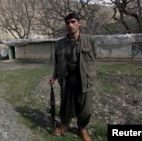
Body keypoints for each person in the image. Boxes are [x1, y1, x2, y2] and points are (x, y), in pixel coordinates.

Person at [48, 13, 96, 141]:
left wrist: (89, 73)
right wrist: (54, 76)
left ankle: (82, 129)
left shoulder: (90, 40)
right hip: (67, 79)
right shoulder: (60, 43)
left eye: (73, 22)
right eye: (68, 23)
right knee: (66, 105)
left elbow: (93, 59)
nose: (71, 25)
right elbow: (57, 63)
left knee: (85, 108)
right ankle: (65, 124)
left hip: (84, 78)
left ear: (79, 23)